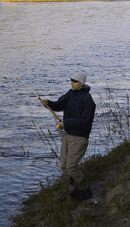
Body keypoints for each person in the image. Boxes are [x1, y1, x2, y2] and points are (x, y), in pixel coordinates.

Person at [40, 71, 96, 202]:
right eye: (71, 80)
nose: (72, 83)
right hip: (67, 135)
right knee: (64, 166)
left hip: (80, 137)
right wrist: (48, 103)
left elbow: (85, 121)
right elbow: (59, 105)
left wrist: (65, 123)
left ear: (81, 84)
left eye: (75, 81)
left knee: (71, 166)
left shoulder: (88, 100)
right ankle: (71, 191)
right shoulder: (70, 94)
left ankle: (84, 189)